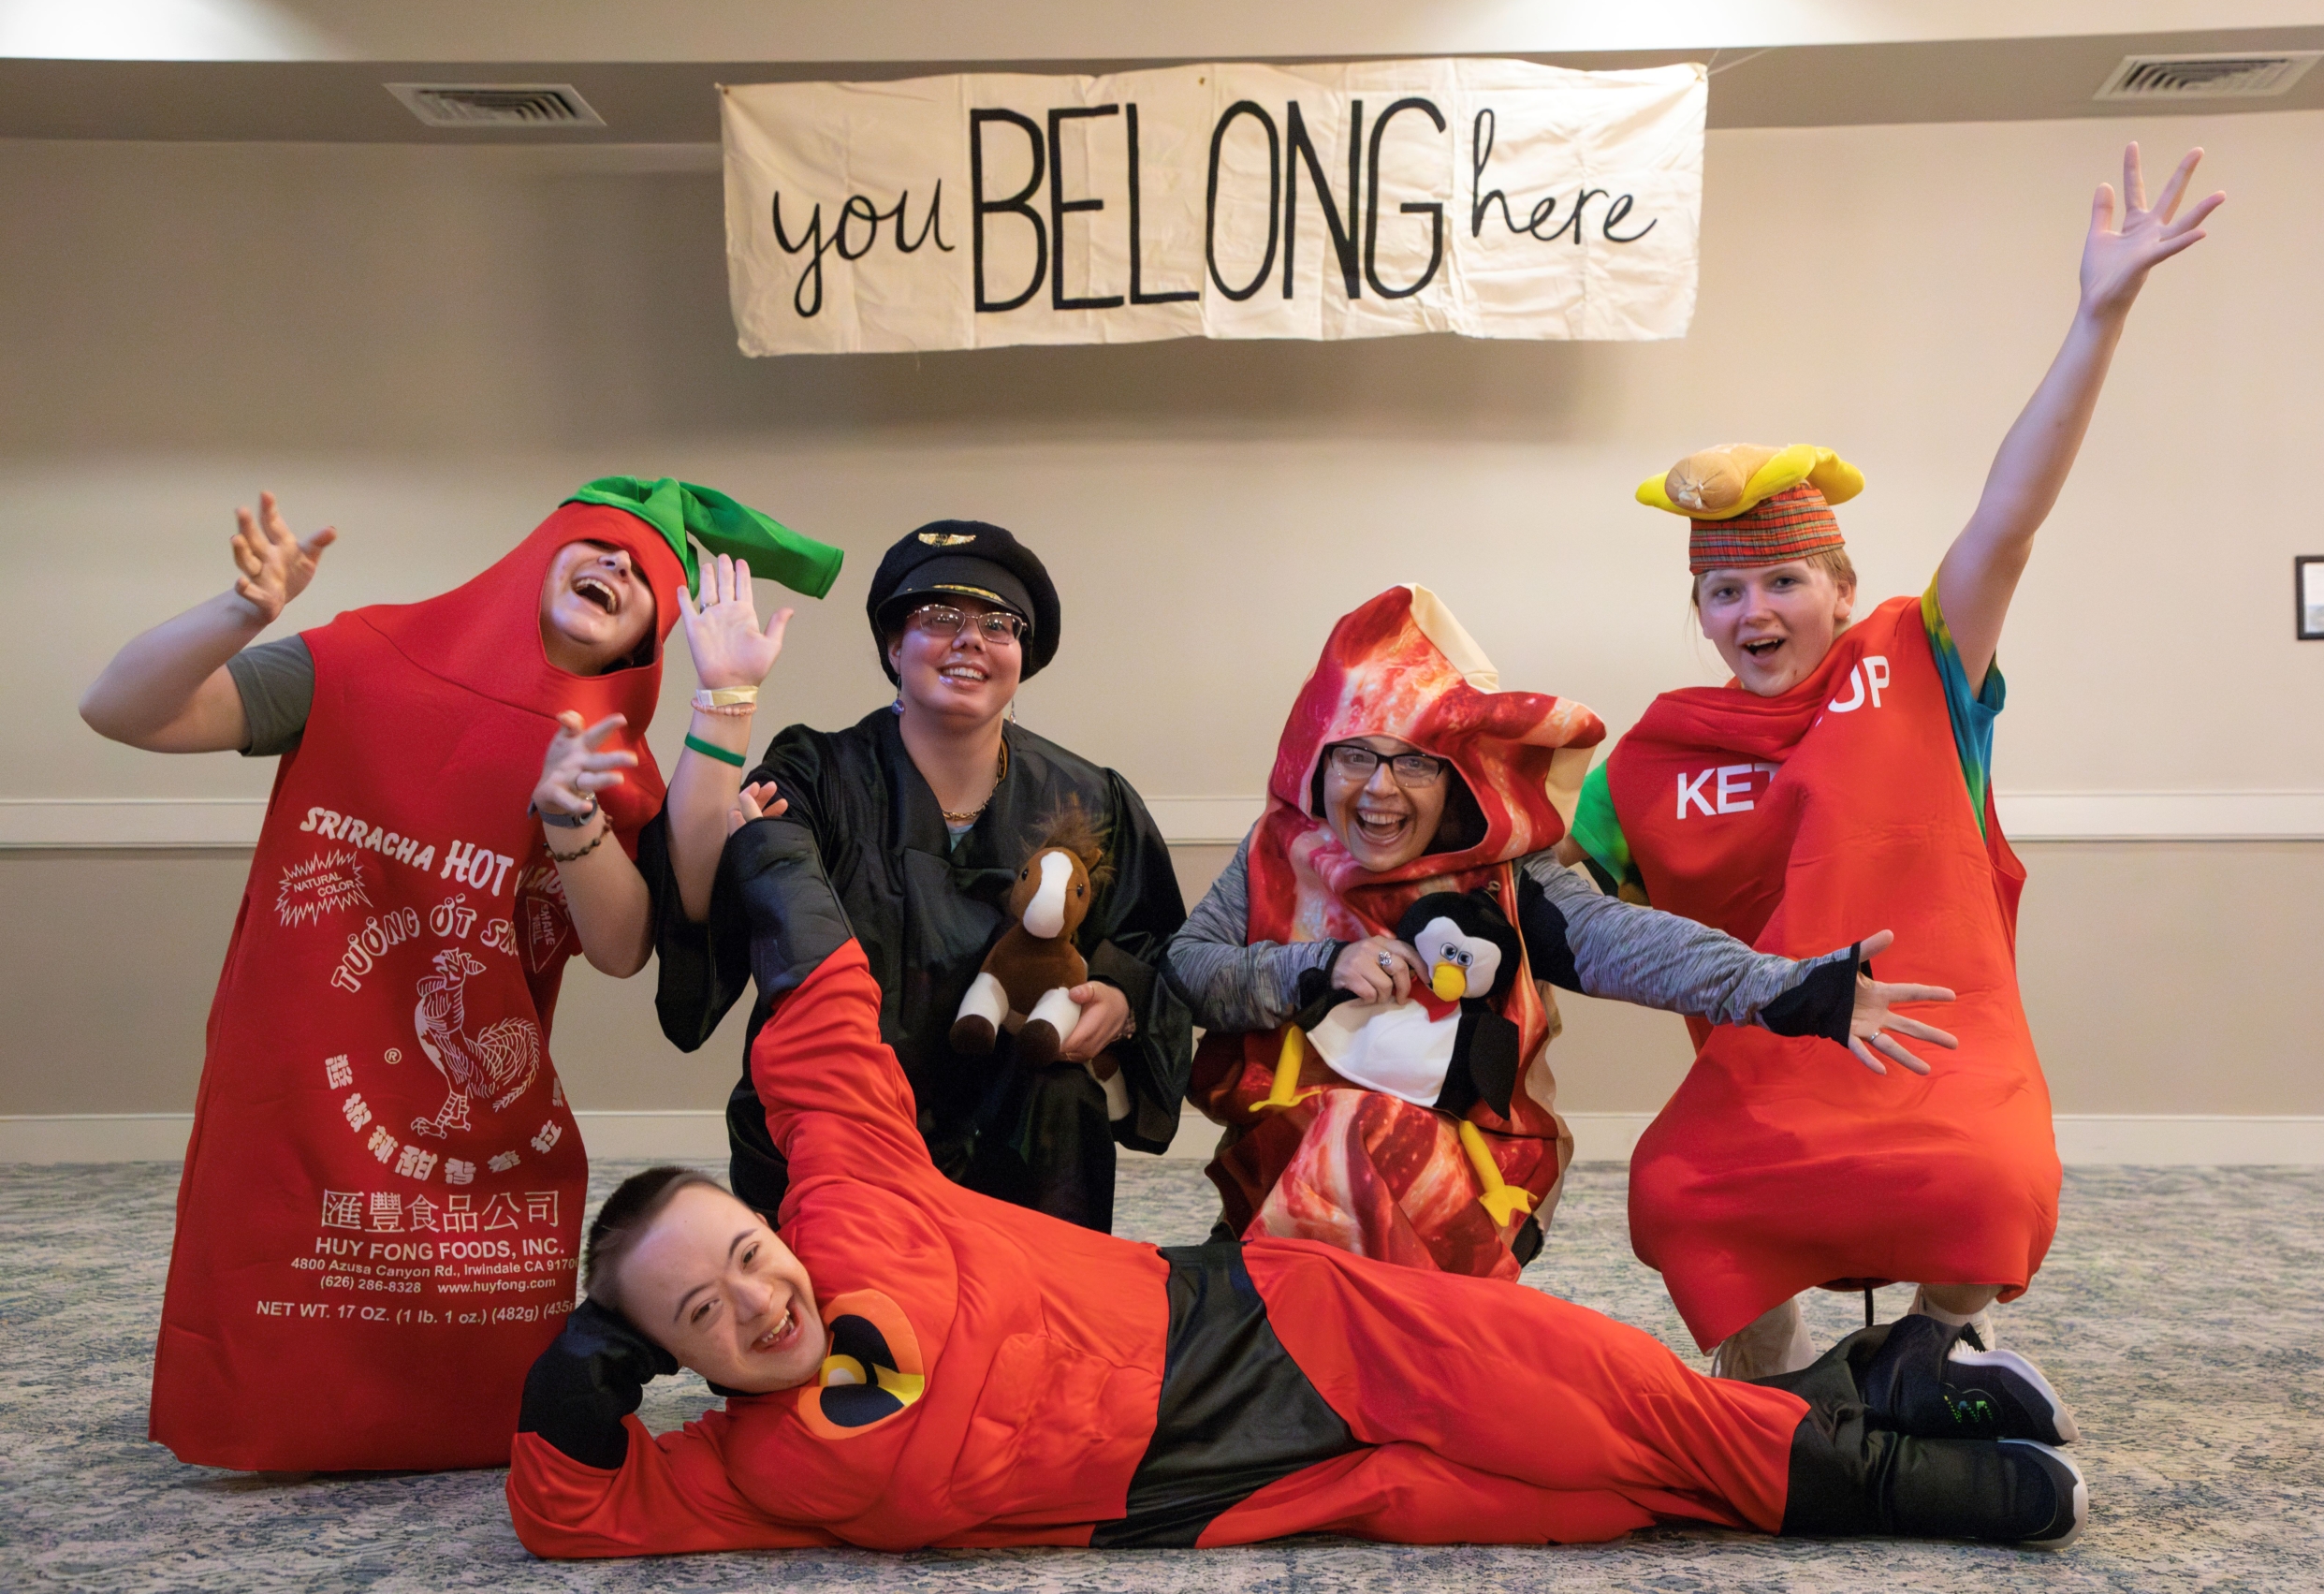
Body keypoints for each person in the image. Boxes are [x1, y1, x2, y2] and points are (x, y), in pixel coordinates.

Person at [502, 863, 2088, 1557]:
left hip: (1266, 1323)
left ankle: (1906, 1473)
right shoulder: (752, 1469)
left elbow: (825, 1031)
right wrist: (588, 1350)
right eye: (704, 1313)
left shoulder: (852, 1211)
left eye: (743, 1256)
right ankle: (1865, 1388)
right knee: (1592, 1497)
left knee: (1608, 1408)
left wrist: (772, 854)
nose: (759, 1302)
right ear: (679, 1362)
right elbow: (572, 1512)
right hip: (1227, 1494)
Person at [1558, 144, 2225, 1376]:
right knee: (1673, 1188)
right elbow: (1555, 901)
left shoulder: (1921, 661)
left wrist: (2101, 312)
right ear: (1699, 610)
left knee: (1994, 1177)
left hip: (1942, 1055)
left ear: (1841, 587)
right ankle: (1767, 1373)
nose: (1753, 610)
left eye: (1783, 580)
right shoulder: (1648, 757)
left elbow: (2009, 522)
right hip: (1772, 1071)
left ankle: (1939, 1341)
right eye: (1723, 589)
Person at [82, 476, 838, 1471]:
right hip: (298, 1071)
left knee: (467, 1359)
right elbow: (121, 711)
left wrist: (577, 815)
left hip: (478, 1100)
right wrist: (240, 614)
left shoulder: (615, 764)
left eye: (643, 575)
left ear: (644, 643)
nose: (615, 566)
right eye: (598, 547)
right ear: (536, 556)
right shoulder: (357, 662)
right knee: (280, 1266)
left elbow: (620, 949)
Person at [1172, 585, 1957, 1279]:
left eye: (1412, 762)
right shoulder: (1277, 852)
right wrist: (1321, 964)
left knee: (1361, 1172)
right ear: (1318, 759)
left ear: (1456, 774)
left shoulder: (1510, 873)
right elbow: (1191, 968)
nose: (1378, 789)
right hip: (1281, 1159)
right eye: (1355, 757)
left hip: (1470, 1171)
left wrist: (1793, 988)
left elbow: (1633, 943)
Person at [638, 520, 1193, 1233]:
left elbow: (1159, 949)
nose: (971, 639)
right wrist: (725, 696)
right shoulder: (816, 774)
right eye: (939, 617)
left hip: (1020, 1144)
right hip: (841, 1136)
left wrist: (1123, 995)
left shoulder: (1088, 799)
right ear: (895, 646)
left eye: (999, 623)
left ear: (1021, 656)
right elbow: (708, 903)